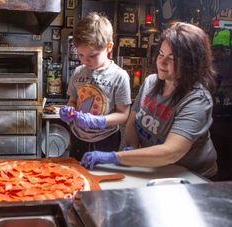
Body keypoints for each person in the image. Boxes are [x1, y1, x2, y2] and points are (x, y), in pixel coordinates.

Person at [81, 22, 218, 179]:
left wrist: (115, 157)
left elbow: (170, 152)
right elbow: (132, 123)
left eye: (172, 58)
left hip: (192, 176)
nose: (162, 62)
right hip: (157, 170)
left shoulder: (197, 100)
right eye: (161, 54)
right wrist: (132, 149)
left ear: (191, 63)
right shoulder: (150, 82)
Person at [59, 12, 132, 161]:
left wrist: (99, 121)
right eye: (81, 55)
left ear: (109, 47)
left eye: (92, 56)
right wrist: (69, 110)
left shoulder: (119, 76)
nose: (86, 61)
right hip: (78, 136)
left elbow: (123, 115)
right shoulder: (79, 72)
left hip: (105, 139)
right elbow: (73, 100)